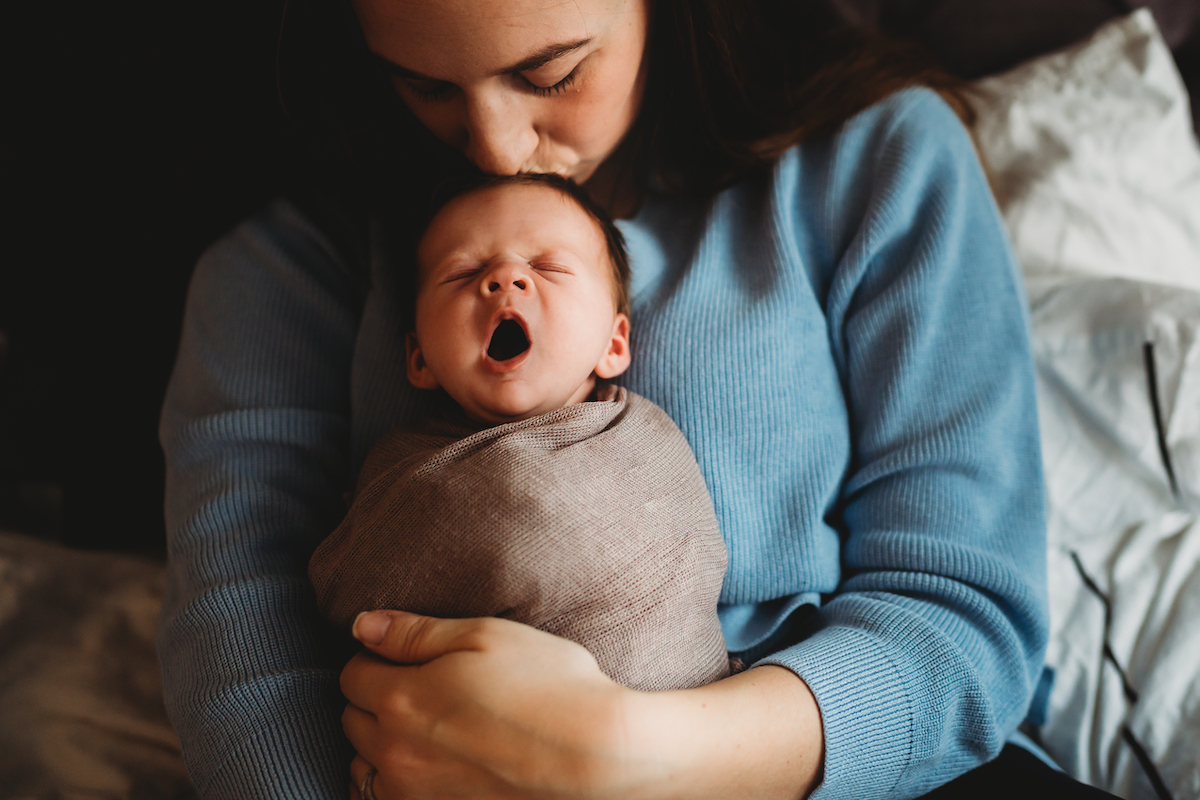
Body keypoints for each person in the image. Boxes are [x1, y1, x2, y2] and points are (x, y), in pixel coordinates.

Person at [157, 0, 1119, 797]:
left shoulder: (878, 165)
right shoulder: (286, 267)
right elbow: (239, 630)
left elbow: (965, 624)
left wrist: (635, 755)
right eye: (426, 85)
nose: (496, 149)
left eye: (549, 73)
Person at [307, 173, 732, 693]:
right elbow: (348, 584)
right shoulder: (403, 467)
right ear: (418, 358)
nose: (506, 278)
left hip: (684, 716)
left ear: (614, 344)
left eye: (548, 267)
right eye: (463, 273)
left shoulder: (646, 441)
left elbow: (690, 554)